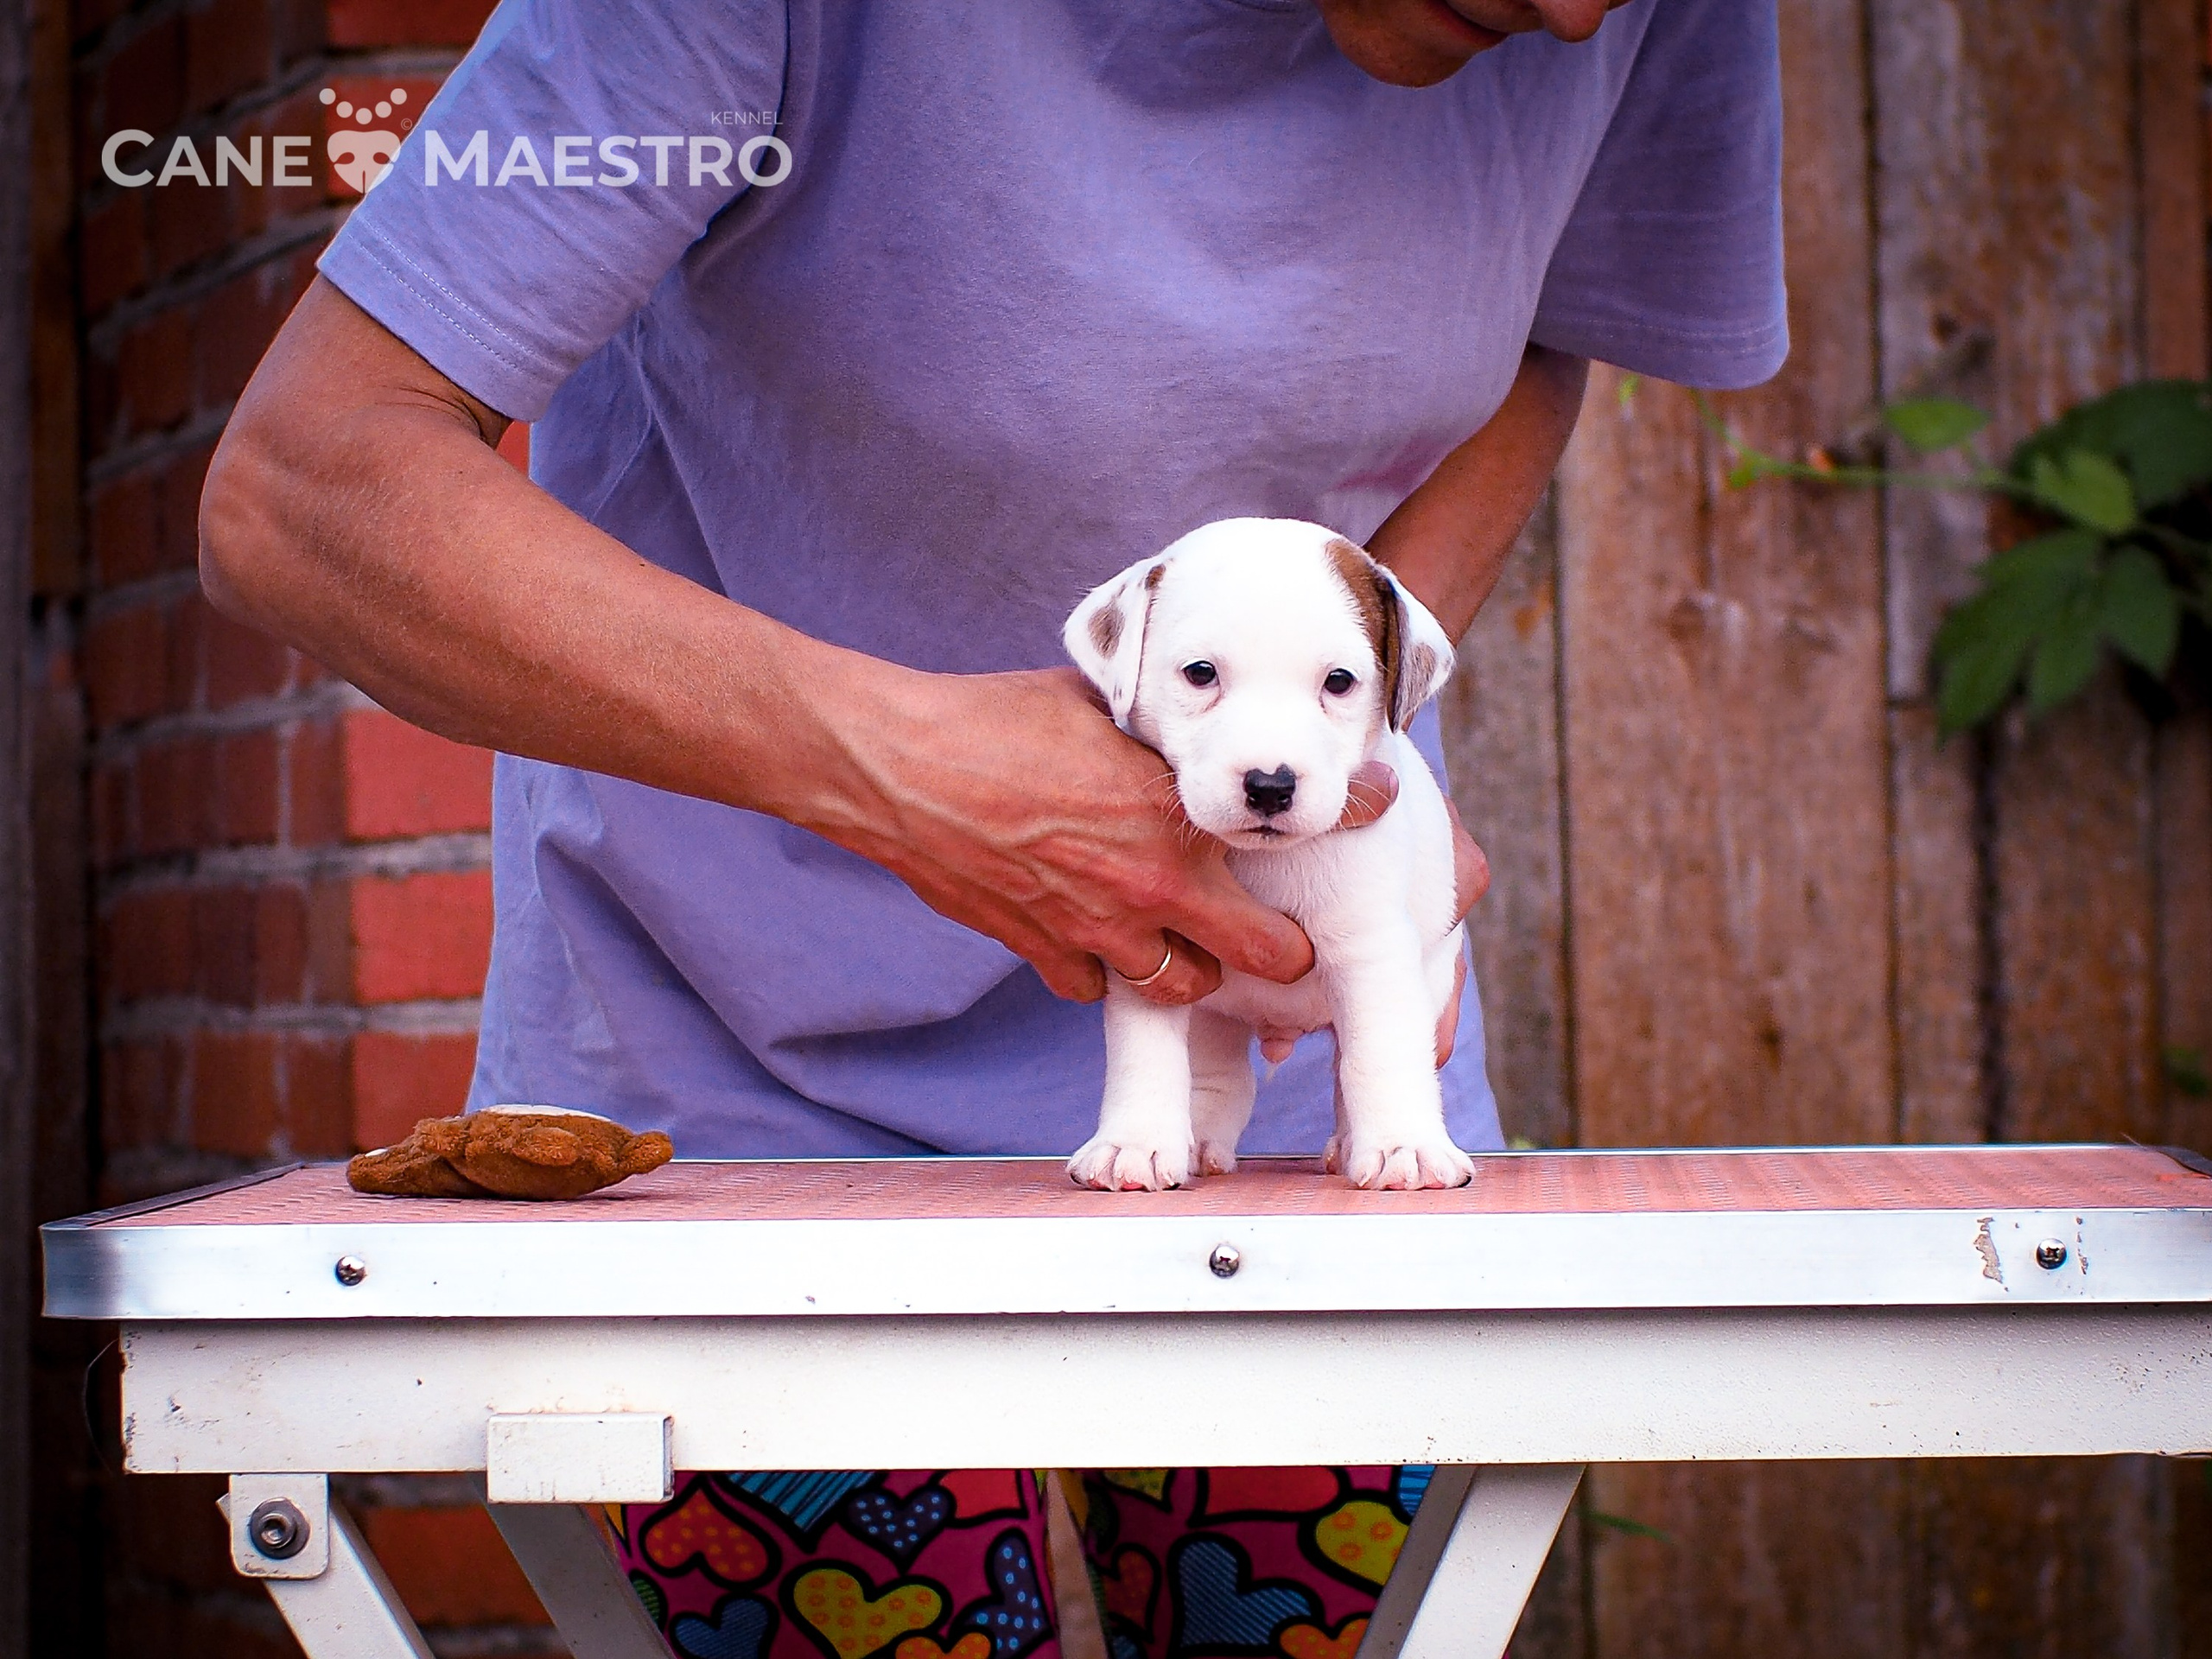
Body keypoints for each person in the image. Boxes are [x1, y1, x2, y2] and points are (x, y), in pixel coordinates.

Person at [200, 0, 1785, 1652]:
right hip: (751, 1097)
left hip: (1307, 1113)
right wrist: (915, 773)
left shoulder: (1653, 12)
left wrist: (1360, 741)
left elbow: (1552, 333)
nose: (1581, 14)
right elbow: (298, 489)